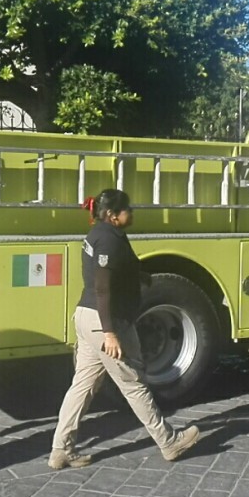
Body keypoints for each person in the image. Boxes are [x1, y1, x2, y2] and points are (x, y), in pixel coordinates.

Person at [49, 189, 200, 469]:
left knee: (82, 386)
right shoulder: (108, 240)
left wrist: (138, 276)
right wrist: (109, 333)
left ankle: (61, 449)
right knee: (133, 384)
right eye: (127, 209)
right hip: (104, 320)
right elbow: (102, 288)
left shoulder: (102, 235)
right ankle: (169, 442)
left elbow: (115, 270)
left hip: (85, 316)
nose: (131, 212)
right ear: (112, 215)